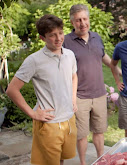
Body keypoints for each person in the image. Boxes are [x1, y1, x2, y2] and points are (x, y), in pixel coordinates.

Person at [6, 14, 78, 165]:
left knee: (62, 159)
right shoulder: (34, 60)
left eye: (60, 33)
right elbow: (12, 90)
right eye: (52, 35)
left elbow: (73, 76)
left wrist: (73, 98)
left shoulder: (69, 55)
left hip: (69, 119)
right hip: (49, 123)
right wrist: (32, 113)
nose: (58, 38)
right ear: (42, 38)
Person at [63, 4, 120, 165]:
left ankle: (100, 159)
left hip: (100, 94)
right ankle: (82, 162)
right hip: (79, 96)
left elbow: (103, 57)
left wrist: (118, 70)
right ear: (72, 23)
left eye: (85, 19)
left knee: (99, 131)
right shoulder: (66, 41)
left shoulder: (96, 37)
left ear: (89, 19)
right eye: (78, 20)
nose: (82, 23)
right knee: (81, 134)